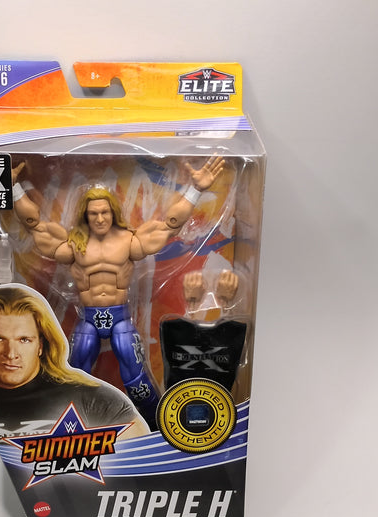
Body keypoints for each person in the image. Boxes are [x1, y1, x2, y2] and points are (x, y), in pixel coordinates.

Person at [12, 157, 226, 429]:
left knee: (135, 376)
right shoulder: (75, 244)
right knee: (74, 373)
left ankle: (156, 426)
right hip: (88, 318)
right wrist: (14, 188)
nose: (100, 218)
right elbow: (34, 224)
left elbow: (170, 224)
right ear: (85, 215)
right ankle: (63, 425)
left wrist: (195, 189)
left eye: (104, 212)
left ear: (113, 212)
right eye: (93, 213)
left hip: (120, 318)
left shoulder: (129, 241)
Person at [0, 284, 149, 439]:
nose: (11, 353)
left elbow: (141, 455)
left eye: (24, 340)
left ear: (41, 345)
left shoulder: (91, 399)